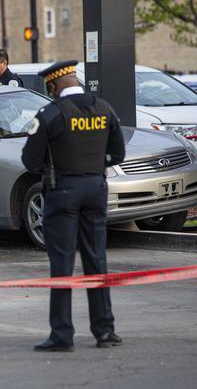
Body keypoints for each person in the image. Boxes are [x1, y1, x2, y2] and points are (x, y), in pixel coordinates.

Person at [21, 60, 125, 352]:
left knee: (62, 263)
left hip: (63, 192)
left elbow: (30, 160)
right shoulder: (104, 108)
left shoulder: (50, 113)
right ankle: (105, 331)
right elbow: (118, 152)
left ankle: (62, 335)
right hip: (95, 189)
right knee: (96, 260)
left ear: (53, 86)